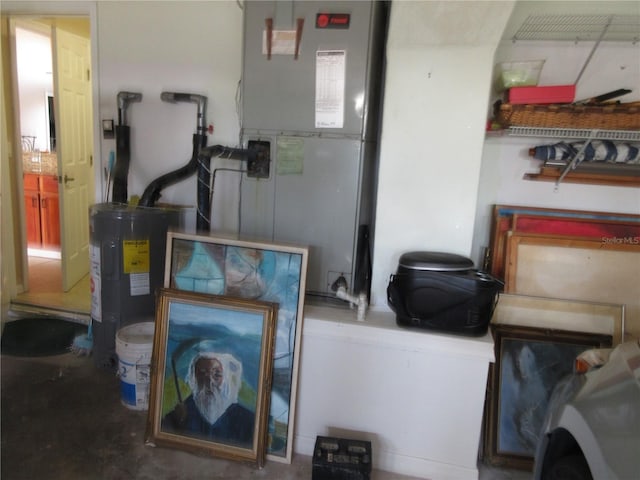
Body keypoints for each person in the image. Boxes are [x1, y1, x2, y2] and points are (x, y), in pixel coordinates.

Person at [162, 352, 255, 447]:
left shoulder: (247, 419)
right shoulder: (181, 412)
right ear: (194, 378)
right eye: (202, 373)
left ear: (225, 380)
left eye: (217, 374)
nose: (209, 381)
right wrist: (178, 423)